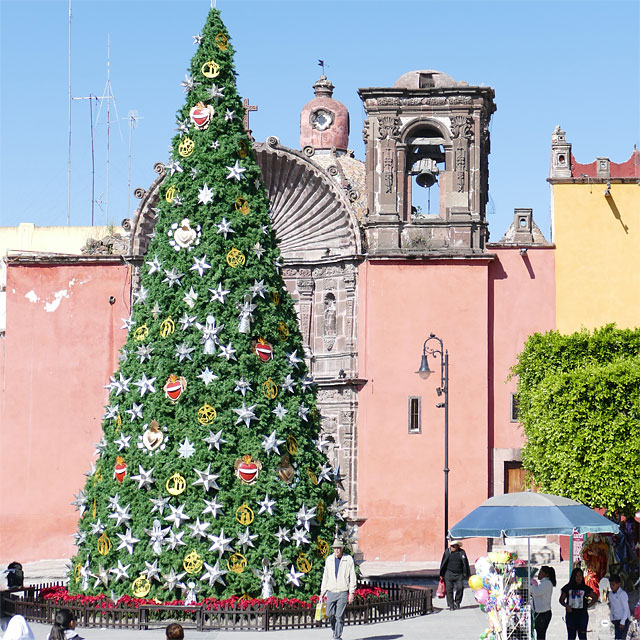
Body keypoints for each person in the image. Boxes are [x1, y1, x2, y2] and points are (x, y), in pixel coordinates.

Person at [320, 538, 357, 640]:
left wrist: (351, 592)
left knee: (339, 616)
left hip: (342, 591)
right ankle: (334, 629)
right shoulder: (329, 560)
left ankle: (337, 636)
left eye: (338, 548)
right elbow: (325, 576)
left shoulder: (348, 559)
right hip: (331, 590)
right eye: (335, 548)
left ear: (342, 549)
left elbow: (352, 576)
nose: (337, 550)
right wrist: (323, 591)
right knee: (329, 614)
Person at [559, 567, 597, 640]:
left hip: (582, 615)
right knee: (571, 636)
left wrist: (588, 605)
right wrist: (567, 606)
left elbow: (595, 597)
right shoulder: (567, 587)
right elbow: (561, 599)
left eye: (580, 575)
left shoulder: (585, 588)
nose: (578, 578)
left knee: (582, 636)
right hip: (571, 615)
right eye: (576, 576)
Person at [439, 539, 470, 610]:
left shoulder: (462, 552)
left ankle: (457, 602)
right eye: (451, 546)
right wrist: (441, 574)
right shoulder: (447, 552)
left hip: (459, 574)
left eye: (453, 546)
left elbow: (466, 563)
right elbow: (443, 562)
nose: (452, 547)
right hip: (449, 573)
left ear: (457, 546)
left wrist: (467, 574)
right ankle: (451, 605)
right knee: (449, 590)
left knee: (460, 587)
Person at [530, 565, 556, 640]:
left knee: (541, 635)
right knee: (540, 635)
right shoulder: (543, 583)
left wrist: (530, 585)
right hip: (540, 613)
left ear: (546, 574)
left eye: (541, 573)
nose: (539, 574)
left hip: (543, 614)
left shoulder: (547, 583)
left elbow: (537, 592)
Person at [608, 574, 630, 640]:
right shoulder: (610, 594)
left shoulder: (622, 594)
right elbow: (612, 606)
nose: (611, 586)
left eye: (613, 585)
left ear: (618, 584)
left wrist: (623, 622)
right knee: (617, 637)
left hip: (624, 619)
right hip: (616, 619)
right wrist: (612, 617)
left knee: (622, 637)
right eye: (610, 585)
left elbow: (626, 609)